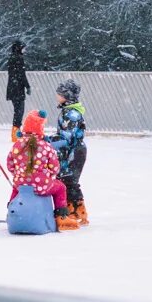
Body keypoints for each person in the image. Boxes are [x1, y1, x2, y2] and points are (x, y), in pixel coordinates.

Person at [7, 110, 77, 231]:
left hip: (21, 184)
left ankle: (11, 210)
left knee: (15, 188)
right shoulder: (46, 146)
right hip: (42, 186)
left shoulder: (17, 145)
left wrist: (19, 174)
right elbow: (55, 168)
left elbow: (10, 164)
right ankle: (61, 216)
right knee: (60, 188)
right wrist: (48, 175)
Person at [49, 78, 88, 226]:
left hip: (75, 151)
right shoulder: (67, 111)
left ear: (67, 96)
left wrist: (47, 141)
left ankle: (79, 211)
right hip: (69, 151)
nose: (57, 96)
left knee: (70, 180)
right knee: (66, 180)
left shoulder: (72, 114)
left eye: (59, 93)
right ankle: (72, 208)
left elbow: (66, 137)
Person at [5, 41, 31, 142]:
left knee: (17, 111)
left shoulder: (11, 58)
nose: (24, 50)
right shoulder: (19, 58)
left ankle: (15, 133)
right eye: (23, 48)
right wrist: (27, 86)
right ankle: (15, 134)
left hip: (12, 88)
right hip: (18, 89)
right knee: (19, 111)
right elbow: (22, 74)